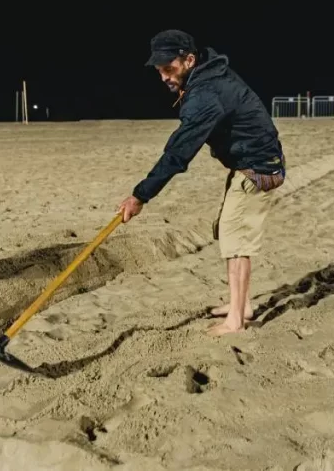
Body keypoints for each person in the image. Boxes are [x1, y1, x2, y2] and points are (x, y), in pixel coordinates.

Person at [117, 29, 286, 336]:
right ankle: (241, 303)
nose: (164, 78)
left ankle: (237, 318)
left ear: (189, 60)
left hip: (258, 169)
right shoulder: (207, 76)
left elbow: (178, 152)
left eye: (168, 69)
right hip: (247, 165)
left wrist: (140, 196)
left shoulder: (207, 93)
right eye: (159, 71)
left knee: (236, 243)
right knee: (227, 231)